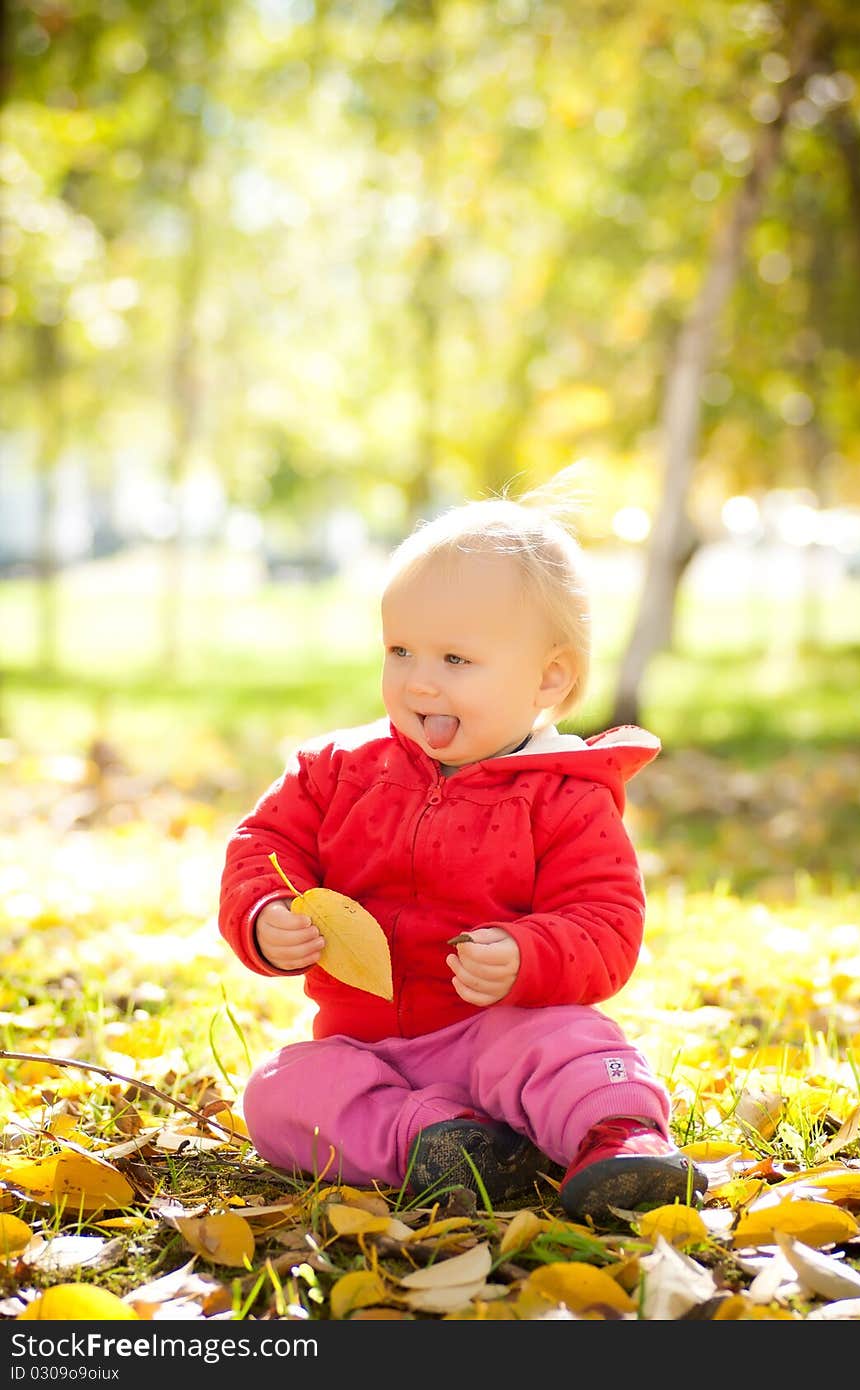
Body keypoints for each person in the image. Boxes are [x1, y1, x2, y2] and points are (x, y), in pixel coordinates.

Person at [218, 475, 707, 1223]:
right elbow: (264, 845)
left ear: (548, 678)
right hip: (368, 1047)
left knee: (568, 1044)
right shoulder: (334, 773)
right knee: (281, 1094)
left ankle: (619, 1136)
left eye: (455, 661)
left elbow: (606, 922)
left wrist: (529, 951)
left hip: (500, 1027)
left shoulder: (566, 796)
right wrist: (265, 912)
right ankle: (440, 1143)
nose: (418, 682)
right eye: (401, 650)